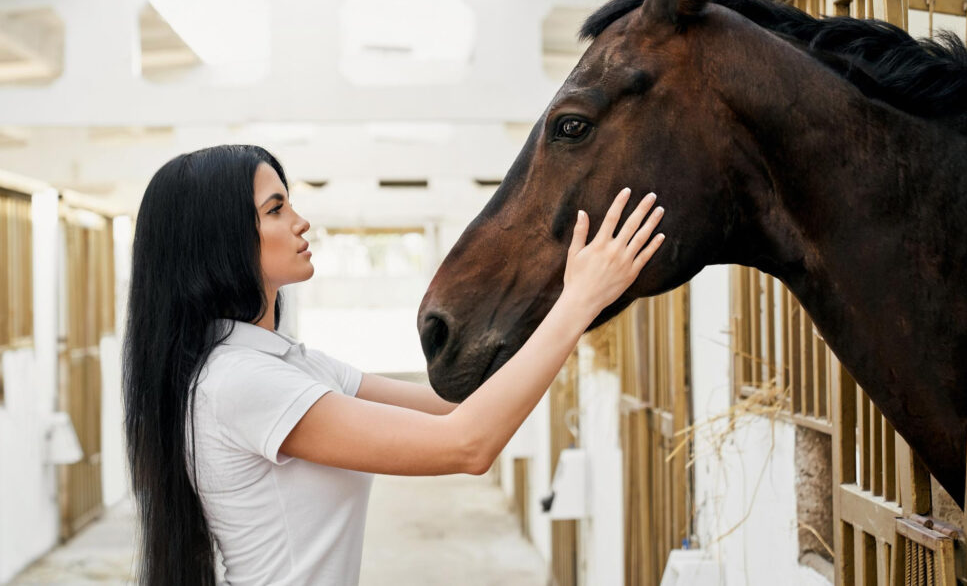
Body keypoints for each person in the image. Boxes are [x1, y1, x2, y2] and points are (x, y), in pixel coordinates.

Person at [123, 144, 665, 586]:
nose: (301, 221)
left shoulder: (292, 366)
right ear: (218, 243)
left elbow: (458, 405)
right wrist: (578, 303)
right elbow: (466, 445)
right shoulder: (240, 383)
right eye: (275, 209)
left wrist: (555, 297)